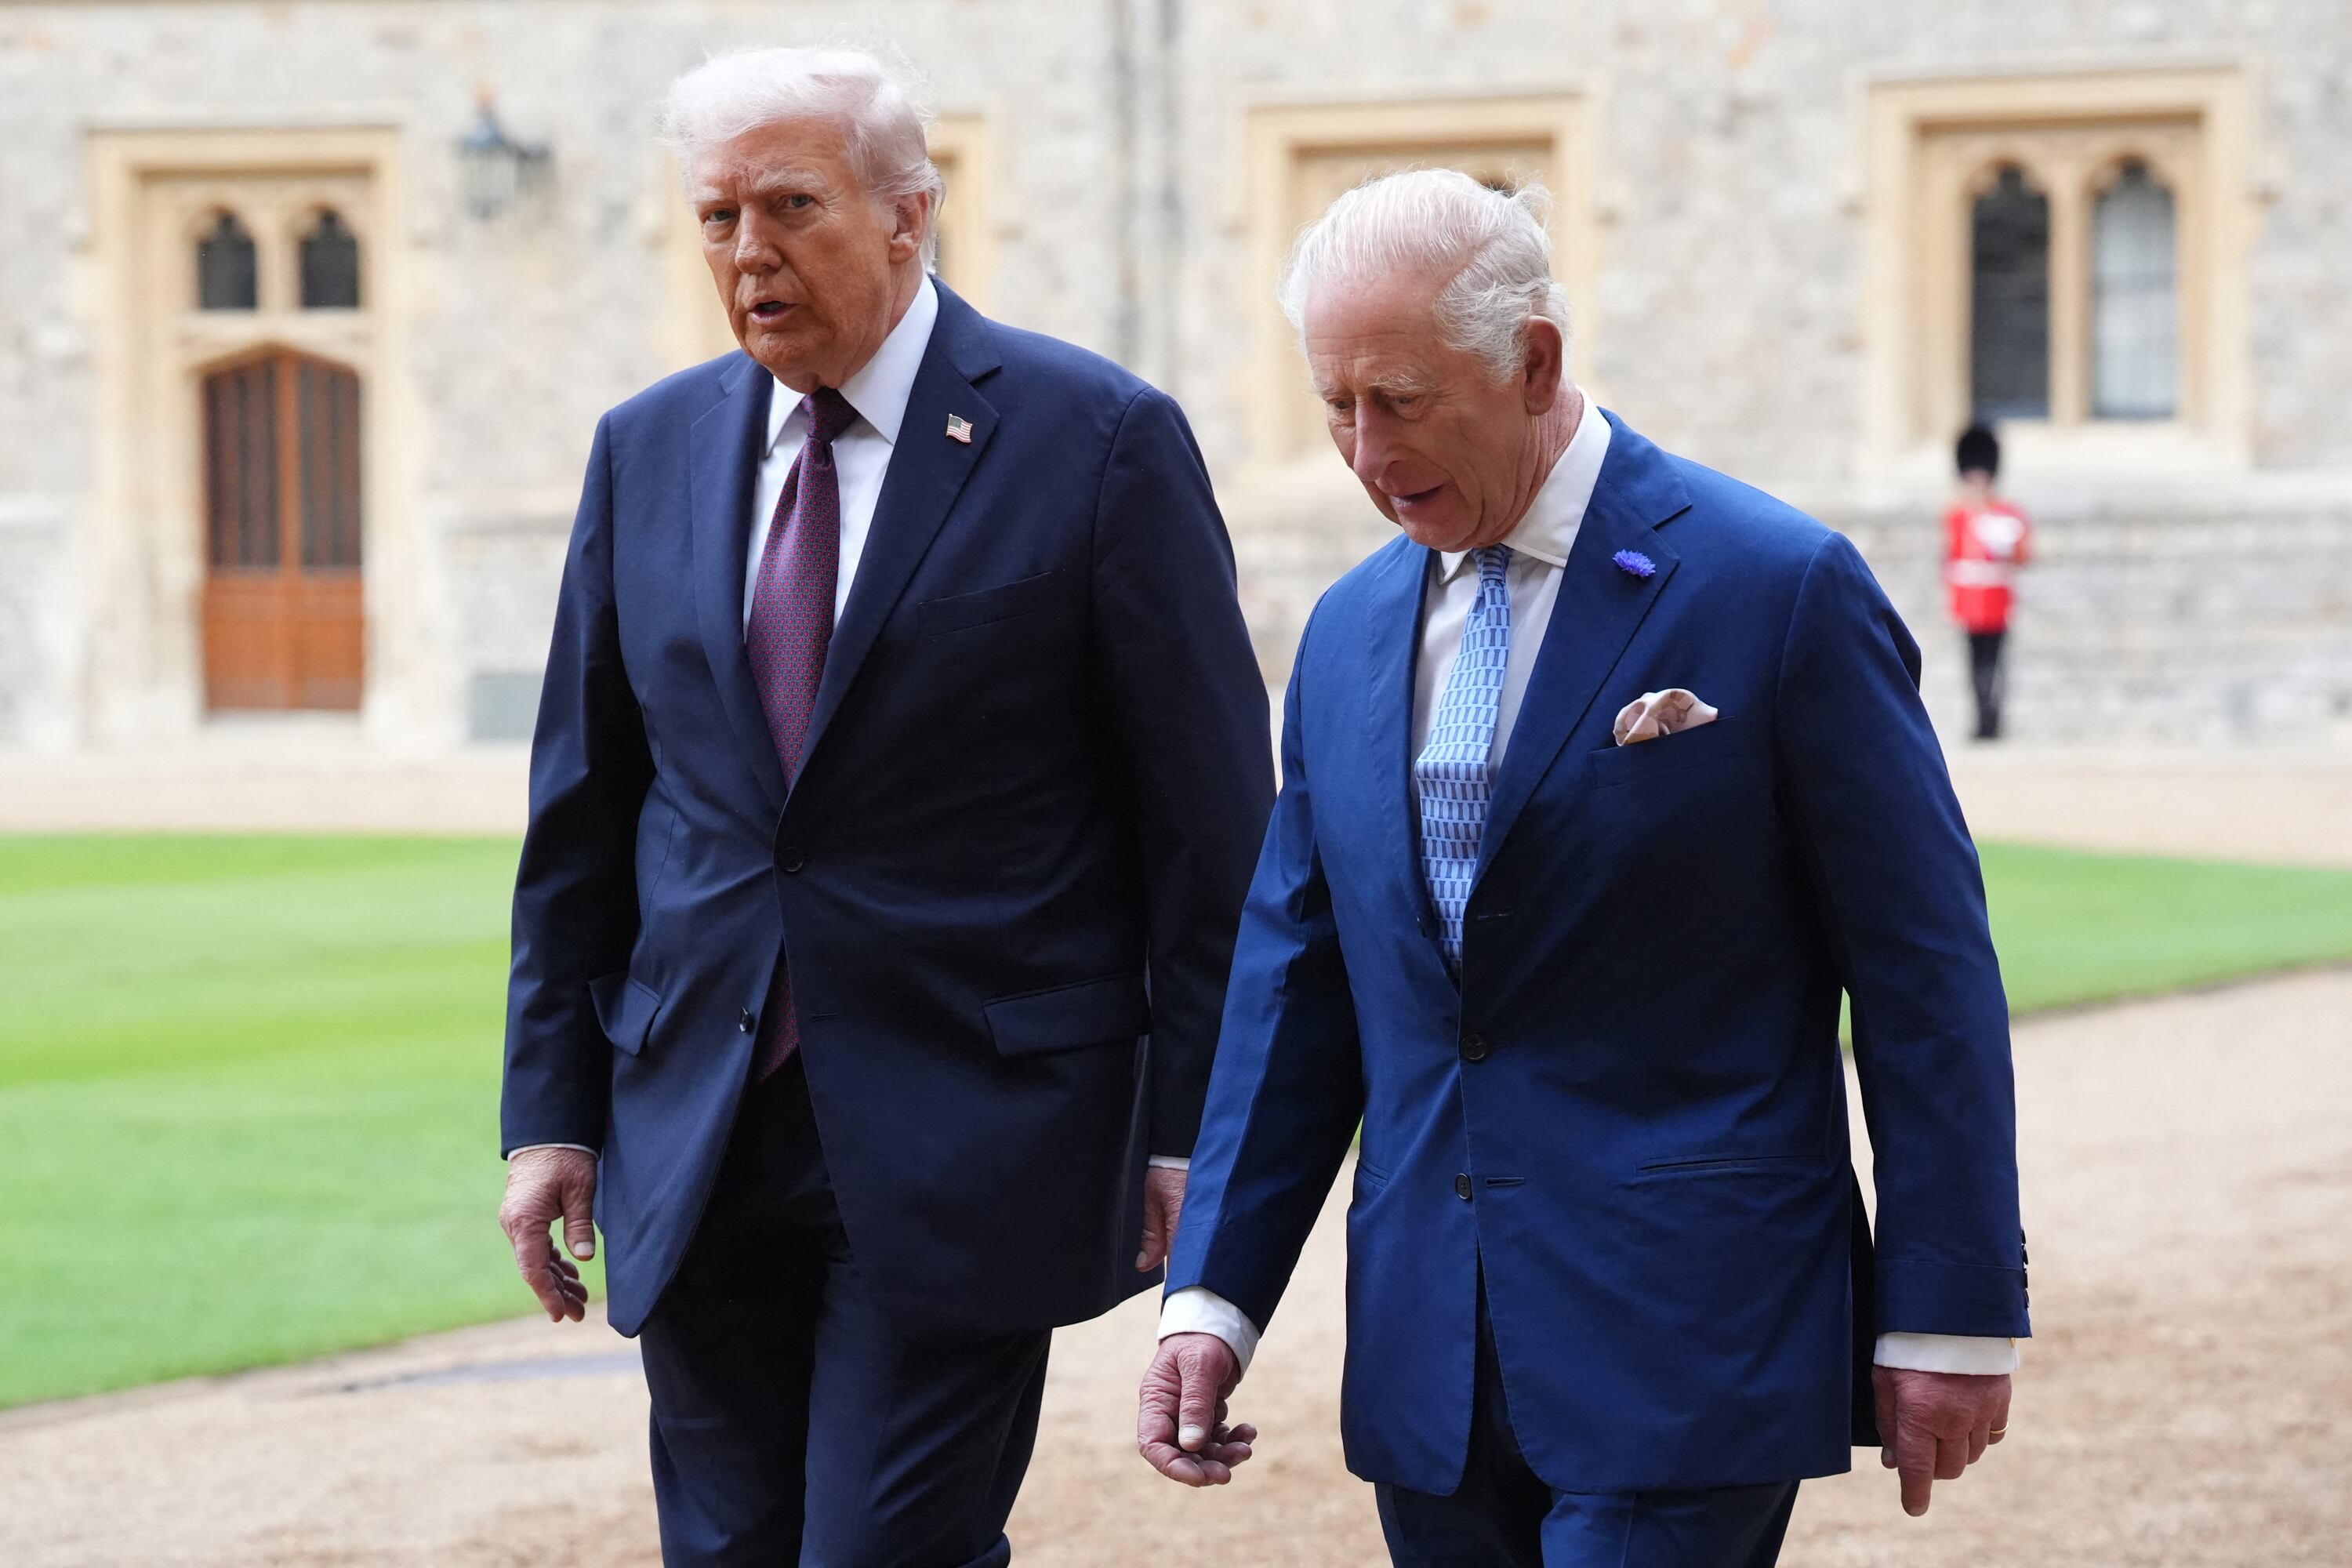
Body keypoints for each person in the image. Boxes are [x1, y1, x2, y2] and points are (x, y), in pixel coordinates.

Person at [1135, 170, 2029, 1566]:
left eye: (1401, 401)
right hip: (1430, 1361)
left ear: (1534, 359)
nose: (1364, 454)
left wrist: (1951, 1310)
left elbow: (1923, 975)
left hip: (1693, 1337)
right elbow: (1294, 988)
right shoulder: (1346, 633)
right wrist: (1214, 1300)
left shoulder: (1776, 587)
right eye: (1335, 407)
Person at [496, 46, 1273, 1566]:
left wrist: (1196, 1133)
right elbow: (585, 811)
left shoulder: (1098, 443)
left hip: (966, 1132)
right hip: (698, 1131)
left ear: (912, 214)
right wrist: (549, 1113)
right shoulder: (643, 450)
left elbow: (1211, 836)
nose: (746, 251)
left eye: (789, 205)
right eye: (716, 215)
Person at [1944, 423, 2032, 740]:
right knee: (1974, 665)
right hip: (1970, 599)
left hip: (1996, 599)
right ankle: (1980, 719)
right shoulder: (1957, 515)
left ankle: (1993, 720)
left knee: (1995, 664)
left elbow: (2023, 555)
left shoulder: (2008, 513)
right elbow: (1952, 559)